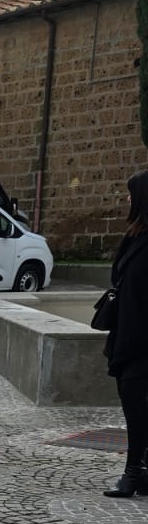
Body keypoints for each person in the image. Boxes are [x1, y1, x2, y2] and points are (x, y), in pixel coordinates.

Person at [103, 170, 148, 497]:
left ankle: (133, 473)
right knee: (136, 405)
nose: (127, 198)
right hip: (127, 334)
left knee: (136, 407)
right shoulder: (135, 236)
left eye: (131, 192)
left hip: (141, 341)